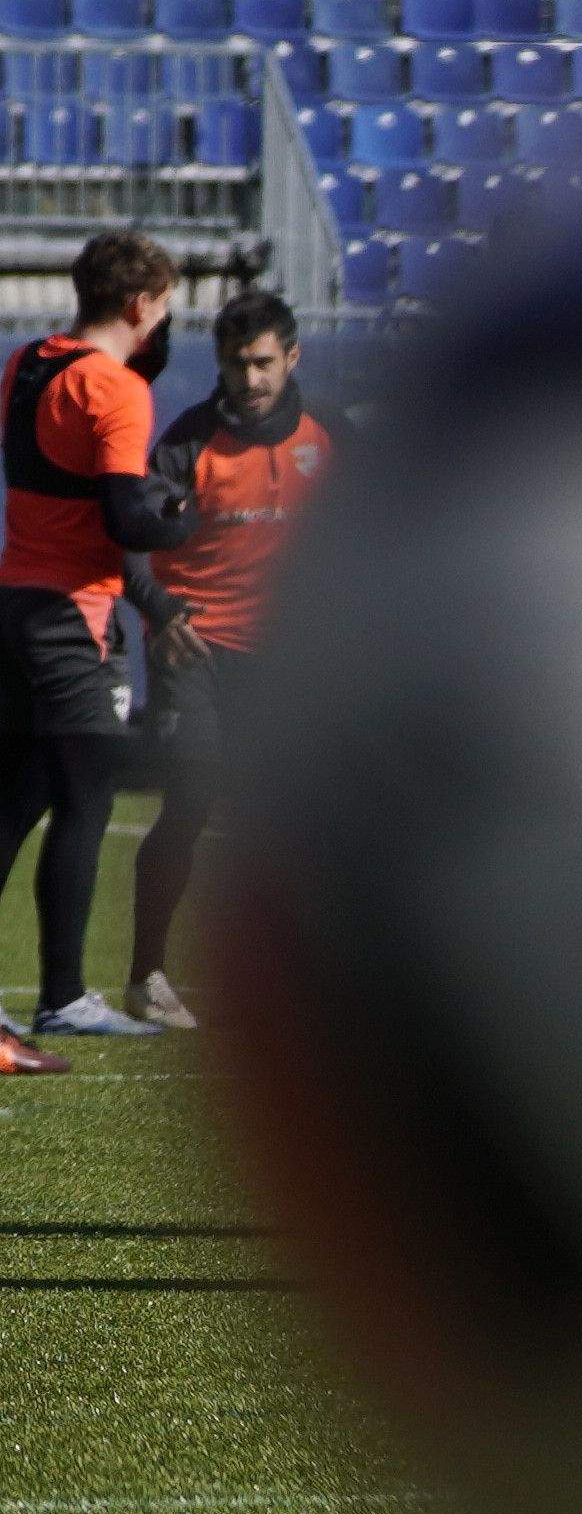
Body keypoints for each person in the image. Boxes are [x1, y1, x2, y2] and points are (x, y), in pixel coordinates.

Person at [0, 232, 200, 1040]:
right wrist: (179, 520)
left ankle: (60, 998)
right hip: (69, 615)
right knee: (86, 799)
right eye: (163, 306)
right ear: (140, 303)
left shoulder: (24, 363)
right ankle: (64, 998)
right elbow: (125, 519)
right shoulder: (114, 387)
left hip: (15, 598)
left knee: (16, 799)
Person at [126, 287, 329, 1031]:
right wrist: (161, 610)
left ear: (292, 357)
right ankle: (146, 975)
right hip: (198, 651)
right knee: (192, 797)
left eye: (263, 362)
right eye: (238, 365)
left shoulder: (328, 437)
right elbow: (130, 541)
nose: (251, 379)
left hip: (285, 661)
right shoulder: (187, 442)